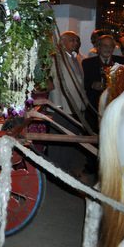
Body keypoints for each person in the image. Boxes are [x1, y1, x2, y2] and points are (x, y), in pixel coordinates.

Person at [47, 31, 88, 178]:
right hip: (62, 106)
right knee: (58, 139)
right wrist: (56, 104)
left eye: (77, 41)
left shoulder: (76, 58)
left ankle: (67, 169)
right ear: (62, 41)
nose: (75, 43)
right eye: (72, 40)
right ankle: (55, 171)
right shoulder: (55, 57)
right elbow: (50, 79)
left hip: (76, 107)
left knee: (72, 139)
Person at [82, 34, 124, 130]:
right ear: (98, 47)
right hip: (94, 108)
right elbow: (82, 83)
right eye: (105, 45)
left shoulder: (123, 63)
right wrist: (92, 85)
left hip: (115, 108)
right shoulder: (87, 63)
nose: (108, 49)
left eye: (111, 46)